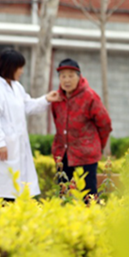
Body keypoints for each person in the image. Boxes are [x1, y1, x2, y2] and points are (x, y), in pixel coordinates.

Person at [0, 49, 61, 200]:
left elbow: (27, 105)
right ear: (10, 67)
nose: (22, 71)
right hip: (1, 147)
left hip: (16, 145)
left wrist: (46, 99)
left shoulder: (17, 87)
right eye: (20, 67)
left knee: (14, 189)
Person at [50, 58, 112, 199]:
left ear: (79, 77)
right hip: (63, 154)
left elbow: (105, 124)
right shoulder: (57, 99)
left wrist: (96, 145)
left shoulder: (90, 97)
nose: (67, 80)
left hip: (86, 156)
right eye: (63, 76)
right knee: (62, 195)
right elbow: (57, 124)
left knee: (88, 196)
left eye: (71, 76)